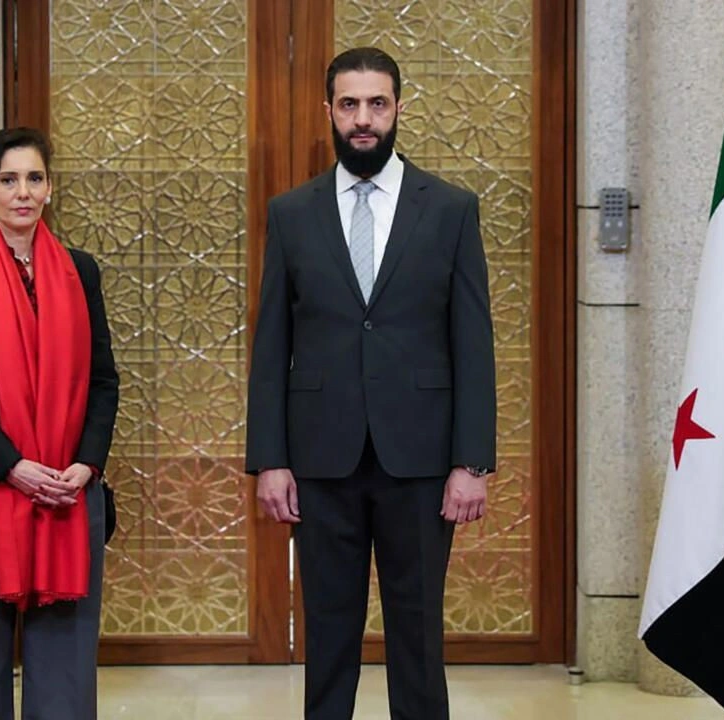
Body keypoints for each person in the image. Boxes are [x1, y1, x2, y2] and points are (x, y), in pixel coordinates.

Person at [245, 47, 496, 720]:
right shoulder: (292, 212)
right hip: (320, 460)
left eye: (377, 104)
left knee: (418, 635)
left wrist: (471, 462)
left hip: (421, 461)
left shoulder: (450, 209)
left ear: (398, 109)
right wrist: (270, 459)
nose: (363, 119)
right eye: (349, 104)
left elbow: (474, 345)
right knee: (328, 634)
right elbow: (271, 344)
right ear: (327, 111)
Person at [0, 127, 119, 719]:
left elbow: (103, 380)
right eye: (8, 180)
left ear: (50, 187)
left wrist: (86, 464)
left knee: (65, 653)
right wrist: (12, 465)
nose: (23, 192)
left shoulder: (80, 272)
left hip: (66, 488)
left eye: (35, 178)